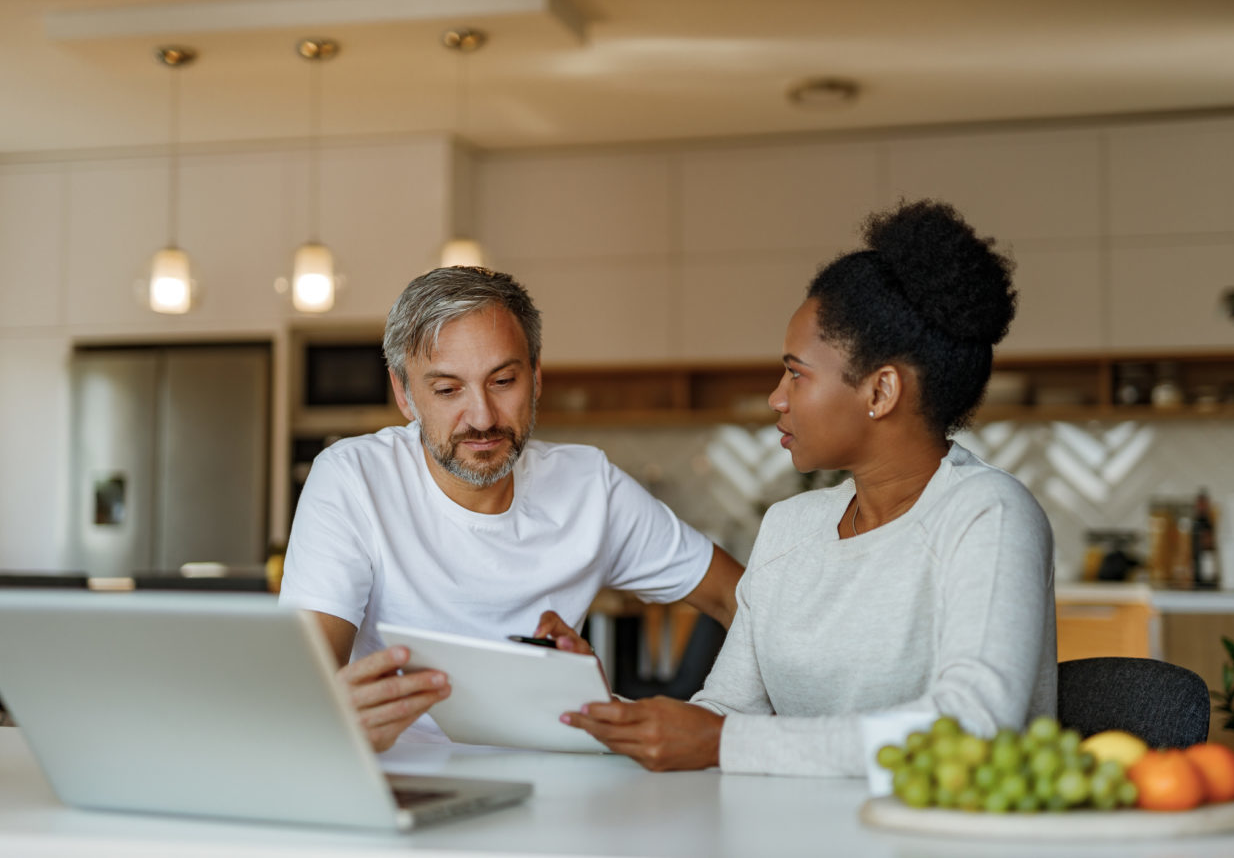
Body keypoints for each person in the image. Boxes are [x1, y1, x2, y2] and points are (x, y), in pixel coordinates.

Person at [563, 200, 1057, 776]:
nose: (777, 397)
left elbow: (977, 725)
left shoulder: (987, 513)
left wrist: (726, 742)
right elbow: (721, 716)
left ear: (881, 391)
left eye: (796, 373)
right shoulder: (789, 527)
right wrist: (588, 703)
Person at [280, 266, 743, 751]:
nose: (482, 418)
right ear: (404, 393)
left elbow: (742, 600)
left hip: (553, 776)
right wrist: (330, 719)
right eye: (447, 390)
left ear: (536, 377)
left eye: (502, 381)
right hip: (404, 778)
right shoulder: (353, 479)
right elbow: (302, 686)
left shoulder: (590, 488)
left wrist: (724, 718)